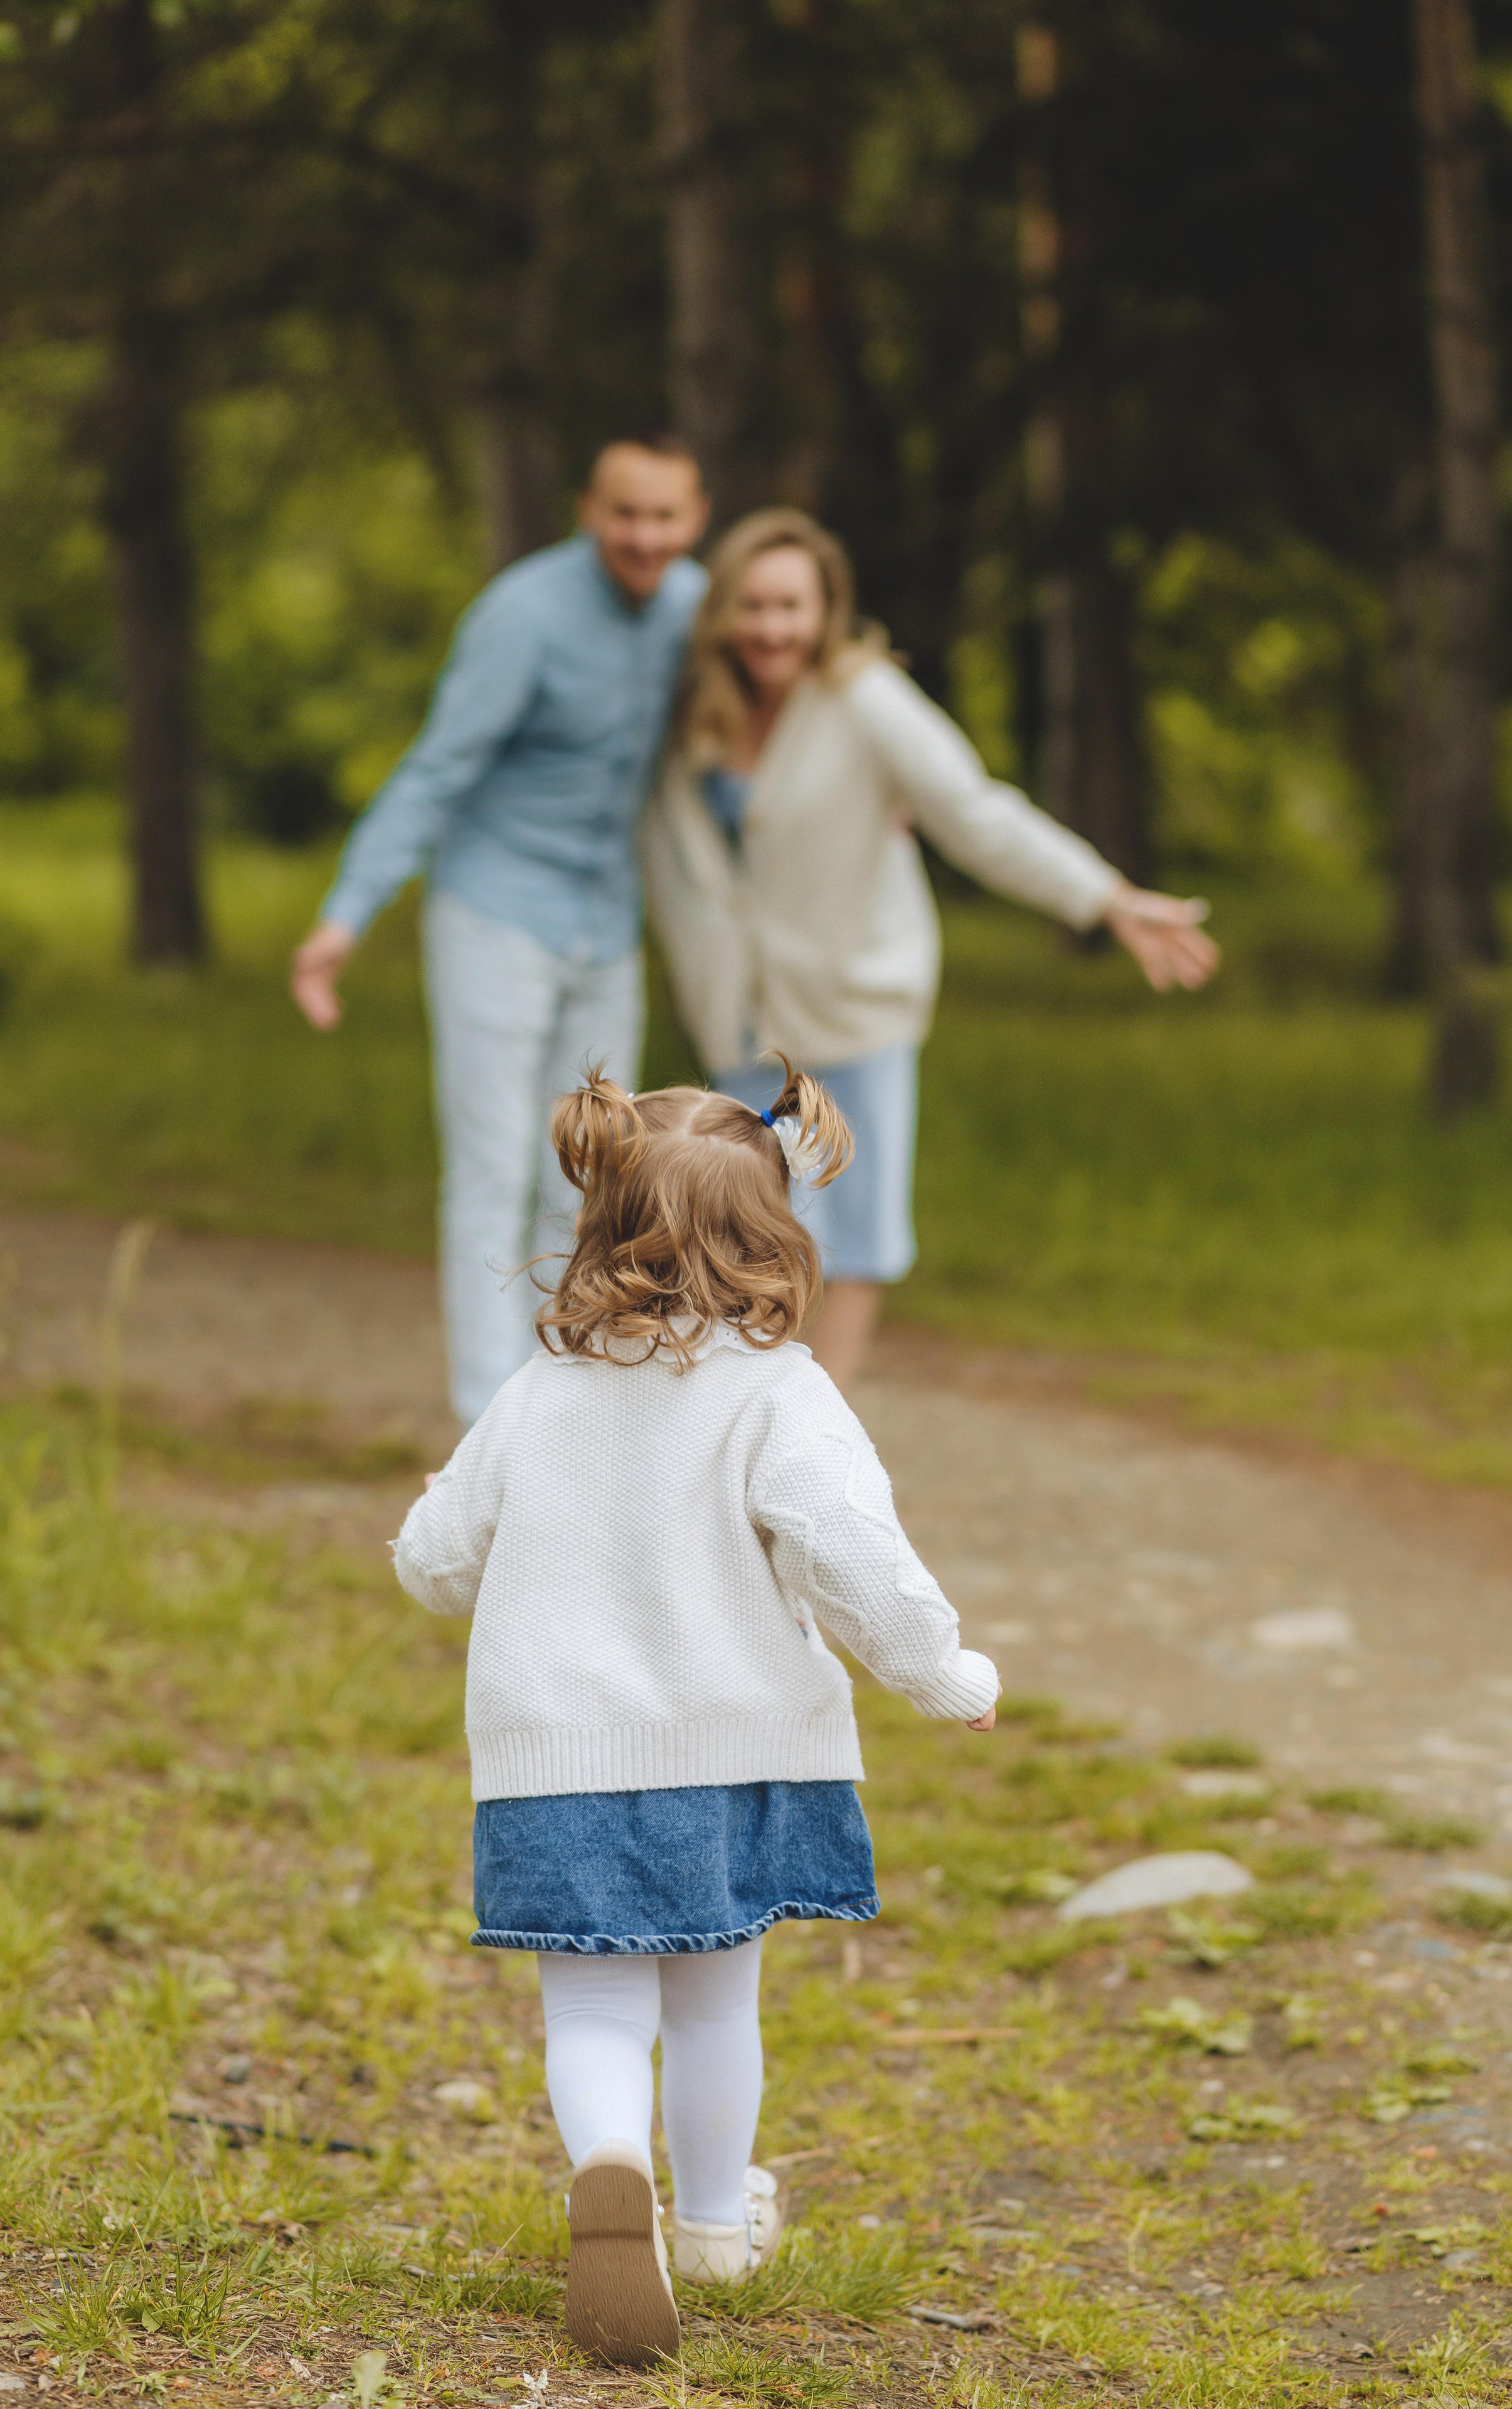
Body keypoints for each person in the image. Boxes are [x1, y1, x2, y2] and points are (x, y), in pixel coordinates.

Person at [391, 1066, 1001, 2366]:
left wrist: (430, 1523)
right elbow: (855, 1557)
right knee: (719, 2004)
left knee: (594, 2013)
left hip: (553, 1765)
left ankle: (610, 2162)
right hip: (734, 1753)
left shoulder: (534, 1393)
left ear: (599, 1218)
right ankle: (717, 2225)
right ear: (773, 1233)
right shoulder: (779, 1393)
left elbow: (436, 1563)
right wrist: (943, 1672)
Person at [642, 508, 1221, 1390]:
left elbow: (974, 812)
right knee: (736, 1237)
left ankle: (817, 1423)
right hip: (740, 1019)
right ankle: (741, 1418)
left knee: (855, 1232)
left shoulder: (864, 700)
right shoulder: (695, 714)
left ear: (826, 609)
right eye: (753, 606)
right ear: (723, 611)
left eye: (792, 606)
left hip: (852, 1010)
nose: (772, 628)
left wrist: (1105, 898)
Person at [290, 437, 711, 1425]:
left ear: (694, 520)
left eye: (664, 518)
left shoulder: (696, 607)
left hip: (605, 923)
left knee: (598, 1167)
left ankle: (561, 1401)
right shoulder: (523, 615)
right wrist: (345, 917)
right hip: (496, 912)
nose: (644, 537)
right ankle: (488, 1418)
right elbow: (438, 767)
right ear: (587, 511)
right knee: (491, 1161)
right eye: (625, 515)